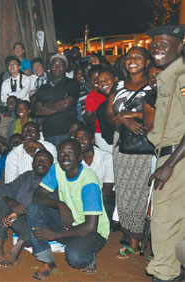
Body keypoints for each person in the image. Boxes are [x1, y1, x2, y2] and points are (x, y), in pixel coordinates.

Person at [27, 139, 109, 280]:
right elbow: (37, 196)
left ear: (80, 157)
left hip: (92, 231)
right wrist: (60, 204)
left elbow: (91, 226)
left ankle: (89, 253)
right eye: (61, 153)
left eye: (70, 153)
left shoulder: (89, 182)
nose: (65, 157)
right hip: (69, 222)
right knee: (33, 208)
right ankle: (47, 261)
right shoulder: (57, 168)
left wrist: (55, 235)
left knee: (75, 258)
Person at [105, 46, 154, 258]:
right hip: (120, 142)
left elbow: (155, 114)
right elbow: (108, 116)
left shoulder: (153, 85)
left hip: (144, 142)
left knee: (141, 190)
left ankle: (141, 237)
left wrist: (127, 115)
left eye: (138, 57)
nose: (132, 61)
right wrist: (121, 119)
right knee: (124, 189)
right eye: (129, 57)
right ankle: (132, 237)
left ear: (147, 62)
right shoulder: (118, 85)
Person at [146, 25, 185, 282]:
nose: (157, 49)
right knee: (176, 222)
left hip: (176, 159)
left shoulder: (181, 77)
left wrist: (169, 164)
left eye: (165, 44)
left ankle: (164, 274)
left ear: (179, 46)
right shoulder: (168, 76)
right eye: (155, 44)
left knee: (163, 223)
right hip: (171, 156)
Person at [0, 150, 53, 268]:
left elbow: (46, 207)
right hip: (19, 221)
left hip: (38, 229)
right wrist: (11, 201)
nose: (41, 162)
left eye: (45, 160)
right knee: (4, 203)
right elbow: (3, 190)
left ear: (52, 164)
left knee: (35, 214)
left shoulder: (55, 180)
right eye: (38, 160)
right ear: (33, 163)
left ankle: (15, 253)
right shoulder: (27, 176)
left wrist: (19, 211)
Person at [33, 54, 81, 147]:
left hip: (67, 133)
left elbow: (67, 104)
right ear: (50, 67)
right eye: (54, 64)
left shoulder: (72, 83)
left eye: (60, 64)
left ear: (66, 67)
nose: (57, 67)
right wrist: (61, 105)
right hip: (48, 134)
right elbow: (37, 111)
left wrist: (46, 105)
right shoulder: (43, 87)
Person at [74, 127, 115, 220]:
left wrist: (89, 202)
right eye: (77, 138)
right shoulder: (74, 160)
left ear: (92, 140)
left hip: (103, 196)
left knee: (106, 202)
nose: (80, 141)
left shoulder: (106, 157)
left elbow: (107, 189)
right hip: (81, 196)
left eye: (84, 137)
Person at [84, 66, 113, 152]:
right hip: (101, 134)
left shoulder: (115, 92)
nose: (96, 81)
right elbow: (89, 120)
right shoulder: (91, 96)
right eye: (94, 80)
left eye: (98, 79)